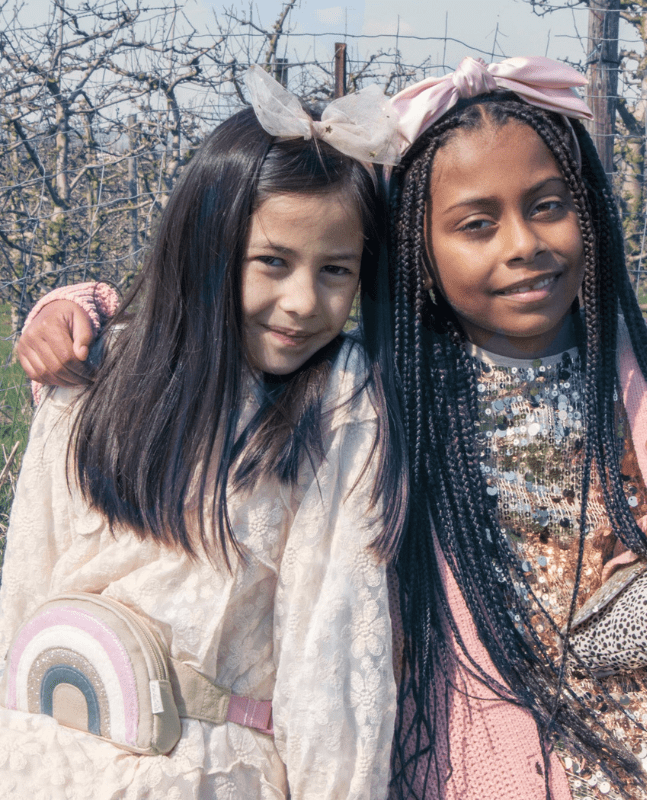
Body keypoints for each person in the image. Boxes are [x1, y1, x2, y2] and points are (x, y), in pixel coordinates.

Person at [383, 57, 647, 799]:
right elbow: (209, 356)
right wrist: (97, 308)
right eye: (477, 224)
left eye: (547, 205)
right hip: (516, 716)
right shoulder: (382, 398)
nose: (523, 244)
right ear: (417, 249)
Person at [0, 66, 403, 799]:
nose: (304, 302)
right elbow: (27, 585)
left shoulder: (337, 402)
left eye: (336, 270)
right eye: (272, 263)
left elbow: (334, 650)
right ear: (207, 249)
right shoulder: (95, 373)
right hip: (46, 756)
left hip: (206, 772)